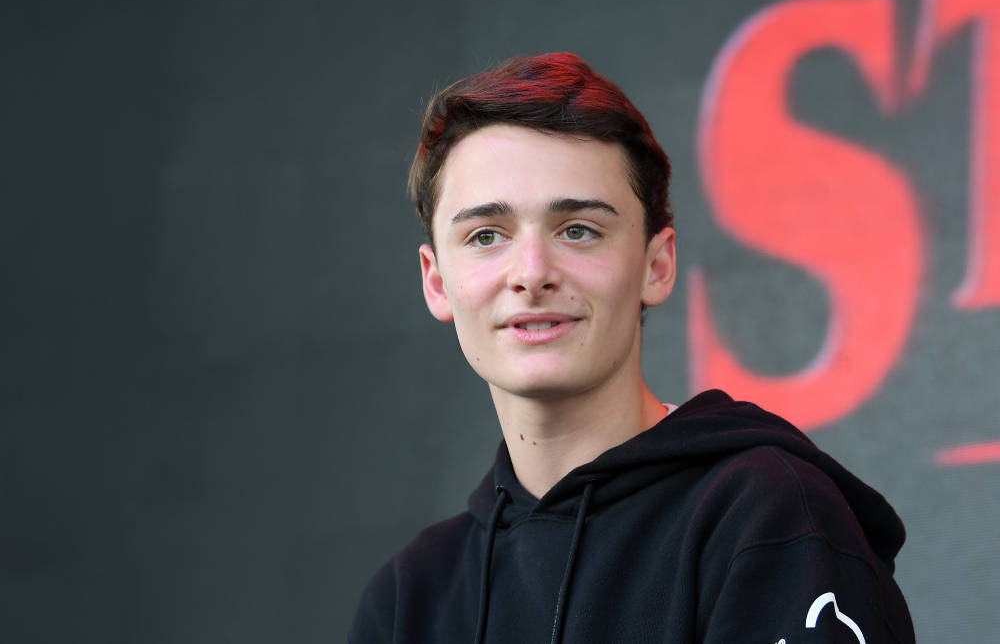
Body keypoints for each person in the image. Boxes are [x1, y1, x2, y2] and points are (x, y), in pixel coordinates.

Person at [349, 52, 914, 643]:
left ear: (657, 266)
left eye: (578, 230)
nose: (532, 273)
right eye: (486, 236)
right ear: (437, 281)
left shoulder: (767, 516)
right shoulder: (407, 600)